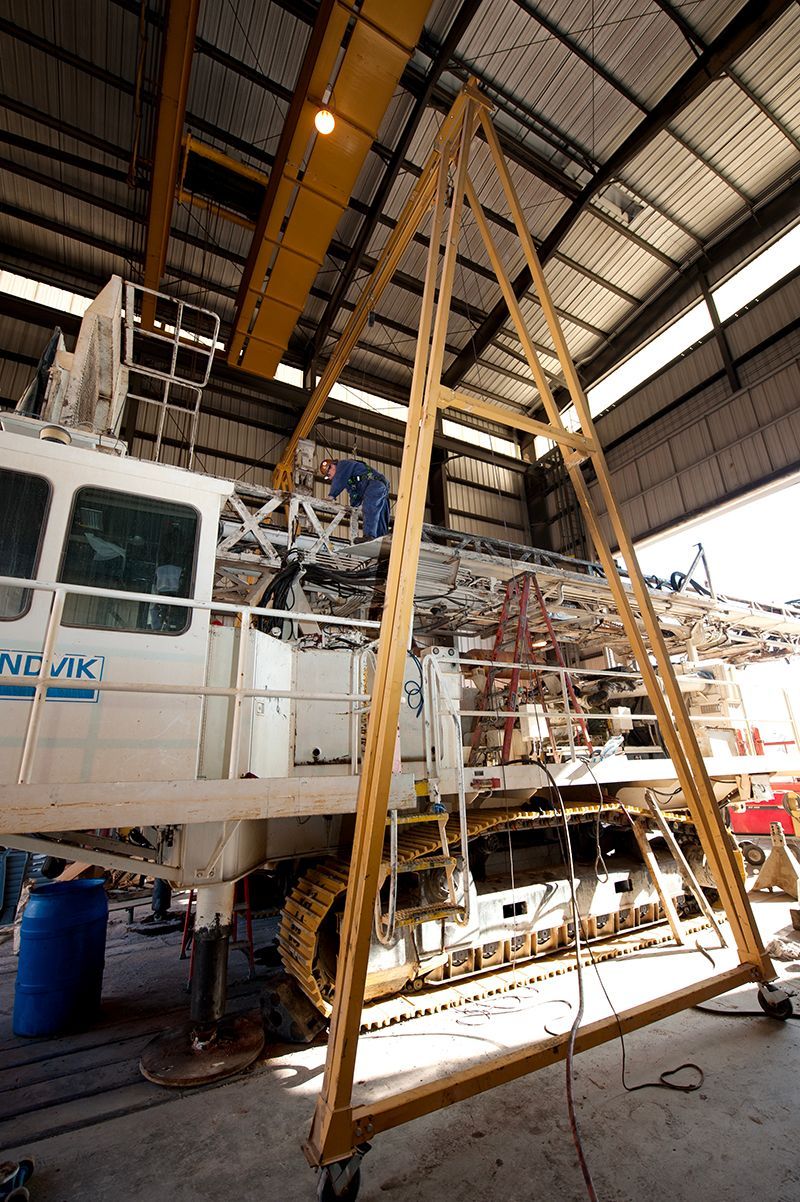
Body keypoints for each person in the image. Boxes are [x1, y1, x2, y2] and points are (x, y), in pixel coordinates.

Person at [319, 457, 390, 539]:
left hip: (375, 485)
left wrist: (331, 496)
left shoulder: (343, 465)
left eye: (328, 475)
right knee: (380, 514)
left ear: (332, 466)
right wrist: (353, 507)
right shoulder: (349, 479)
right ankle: (381, 538)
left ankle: (369, 536)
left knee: (369, 507)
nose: (330, 478)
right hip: (378, 488)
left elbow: (339, 478)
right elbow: (354, 495)